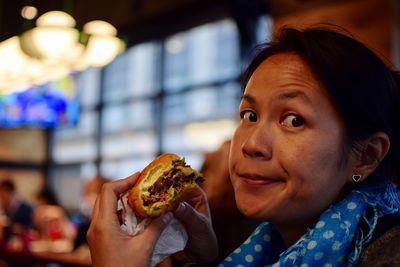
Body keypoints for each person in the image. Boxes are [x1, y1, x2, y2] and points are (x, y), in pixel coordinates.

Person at [87, 26, 400, 267]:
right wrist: (198, 258)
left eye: (293, 120)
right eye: (249, 115)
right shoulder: (265, 247)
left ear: (366, 156)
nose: (251, 144)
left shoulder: (387, 252)